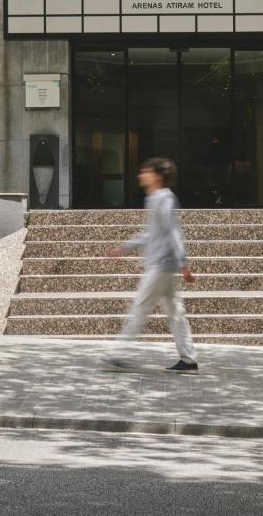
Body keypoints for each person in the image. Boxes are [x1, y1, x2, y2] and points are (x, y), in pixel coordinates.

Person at [103, 157, 199, 374]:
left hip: (160, 266)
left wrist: (183, 264)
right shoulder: (158, 198)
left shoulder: (162, 198)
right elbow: (153, 234)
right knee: (176, 313)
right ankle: (189, 360)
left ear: (157, 176)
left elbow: (173, 231)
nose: (140, 175)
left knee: (140, 308)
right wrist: (125, 248)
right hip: (164, 265)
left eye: (145, 171)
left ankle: (118, 356)